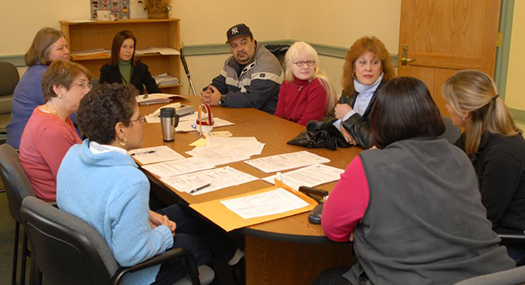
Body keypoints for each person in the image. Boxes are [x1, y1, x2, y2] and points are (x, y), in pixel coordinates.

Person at [315, 77, 515, 285]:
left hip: (419, 278)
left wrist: (360, 231)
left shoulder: (368, 164)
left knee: (326, 279)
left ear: (380, 120)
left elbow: (333, 228)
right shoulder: (459, 157)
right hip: (496, 277)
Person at [56, 83, 244, 285]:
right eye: (139, 119)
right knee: (196, 245)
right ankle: (237, 270)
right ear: (120, 130)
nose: (143, 123)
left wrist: (146, 214)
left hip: (91, 256)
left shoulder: (73, 155)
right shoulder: (130, 180)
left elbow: (104, 200)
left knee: (189, 212)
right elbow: (131, 255)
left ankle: (237, 259)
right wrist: (165, 234)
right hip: (130, 272)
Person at [442, 70, 525, 265]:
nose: (445, 107)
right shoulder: (474, 132)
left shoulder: (503, 155)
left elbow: (486, 217)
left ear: (465, 112)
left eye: (448, 102)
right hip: (485, 227)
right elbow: (446, 159)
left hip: (509, 240)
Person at [19, 60, 92, 202]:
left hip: (69, 193)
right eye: (81, 85)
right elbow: (71, 182)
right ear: (58, 89)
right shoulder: (52, 130)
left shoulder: (52, 114)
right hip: (63, 204)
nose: (88, 91)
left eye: (88, 85)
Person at [324, 36, 395, 149]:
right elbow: (327, 120)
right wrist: (342, 126)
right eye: (362, 62)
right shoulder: (349, 91)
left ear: (382, 68)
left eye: (375, 62)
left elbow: (376, 141)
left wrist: (349, 116)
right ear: (353, 68)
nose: (368, 68)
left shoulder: (389, 95)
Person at [7, 27, 72, 149]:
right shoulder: (42, 77)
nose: (67, 51)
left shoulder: (42, 71)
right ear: (45, 52)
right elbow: (70, 112)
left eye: (66, 46)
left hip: (35, 138)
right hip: (27, 145)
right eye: (60, 48)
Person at [200, 23, 283, 114]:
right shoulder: (230, 62)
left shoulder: (267, 63)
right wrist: (209, 93)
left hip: (269, 120)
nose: (239, 49)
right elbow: (220, 83)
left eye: (244, 43)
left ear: (253, 41)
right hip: (243, 116)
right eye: (234, 45)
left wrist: (221, 99)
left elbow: (254, 99)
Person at [274, 42, 337, 126]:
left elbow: (307, 123)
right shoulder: (286, 83)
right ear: (289, 66)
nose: (306, 67)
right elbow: (279, 116)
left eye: (309, 62)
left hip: (310, 133)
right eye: (299, 63)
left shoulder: (319, 84)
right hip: (291, 130)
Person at [99, 30, 160, 94]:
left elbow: (155, 91)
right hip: (116, 103)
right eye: (124, 47)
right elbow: (103, 96)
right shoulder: (106, 69)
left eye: (131, 47)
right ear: (116, 48)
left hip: (137, 103)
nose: (128, 51)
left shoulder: (142, 68)